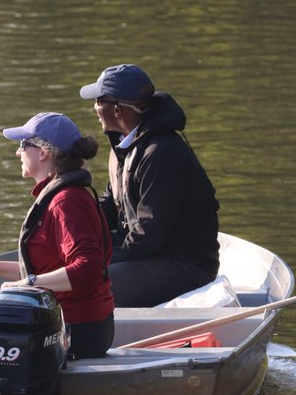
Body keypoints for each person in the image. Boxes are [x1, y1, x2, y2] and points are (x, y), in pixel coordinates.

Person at [0, 112, 115, 360]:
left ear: (43, 152)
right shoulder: (62, 196)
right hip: (76, 325)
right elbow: (50, 269)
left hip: (77, 330)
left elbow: (88, 268)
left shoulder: (65, 202)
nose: (18, 153)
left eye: (23, 145)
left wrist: (26, 284)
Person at [78, 64, 220, 307]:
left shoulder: (161, 154)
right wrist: (75, 227)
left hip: (183, 265)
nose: (95, 108)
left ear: (118, 109)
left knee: (87, 282)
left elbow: (149, 233)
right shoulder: (125, 145)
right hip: (148, 254)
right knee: (72, 270)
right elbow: (112, 205)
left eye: (99, 101)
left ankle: (89, 341)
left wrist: (101, 260)